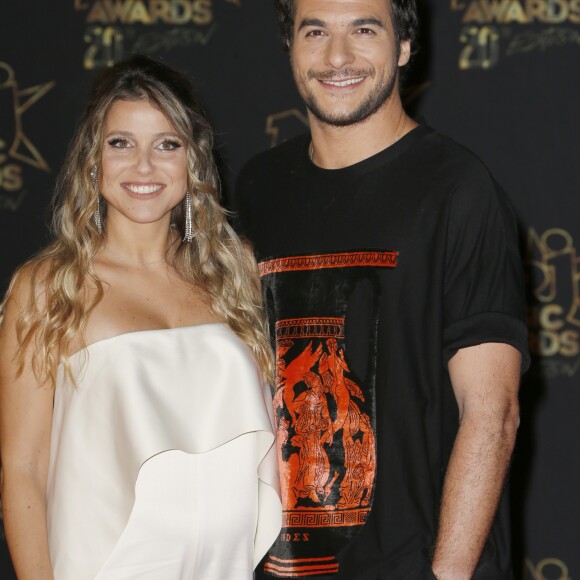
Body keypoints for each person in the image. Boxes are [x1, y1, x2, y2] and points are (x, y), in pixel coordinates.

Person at [233, 0, 530, 578]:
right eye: (314, 31)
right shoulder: (256, 189)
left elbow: (492, 414)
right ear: (291, 48)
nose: (337, 56)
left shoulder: (457, 190)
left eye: (364, 30)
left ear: (403, 47)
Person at [0, 55, 281, 580]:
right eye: (121, 143)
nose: (144, 167)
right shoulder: (48, 287)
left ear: (193, 159)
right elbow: (23, 470)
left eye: (167, 144)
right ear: (92, 157)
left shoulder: (235, 271)